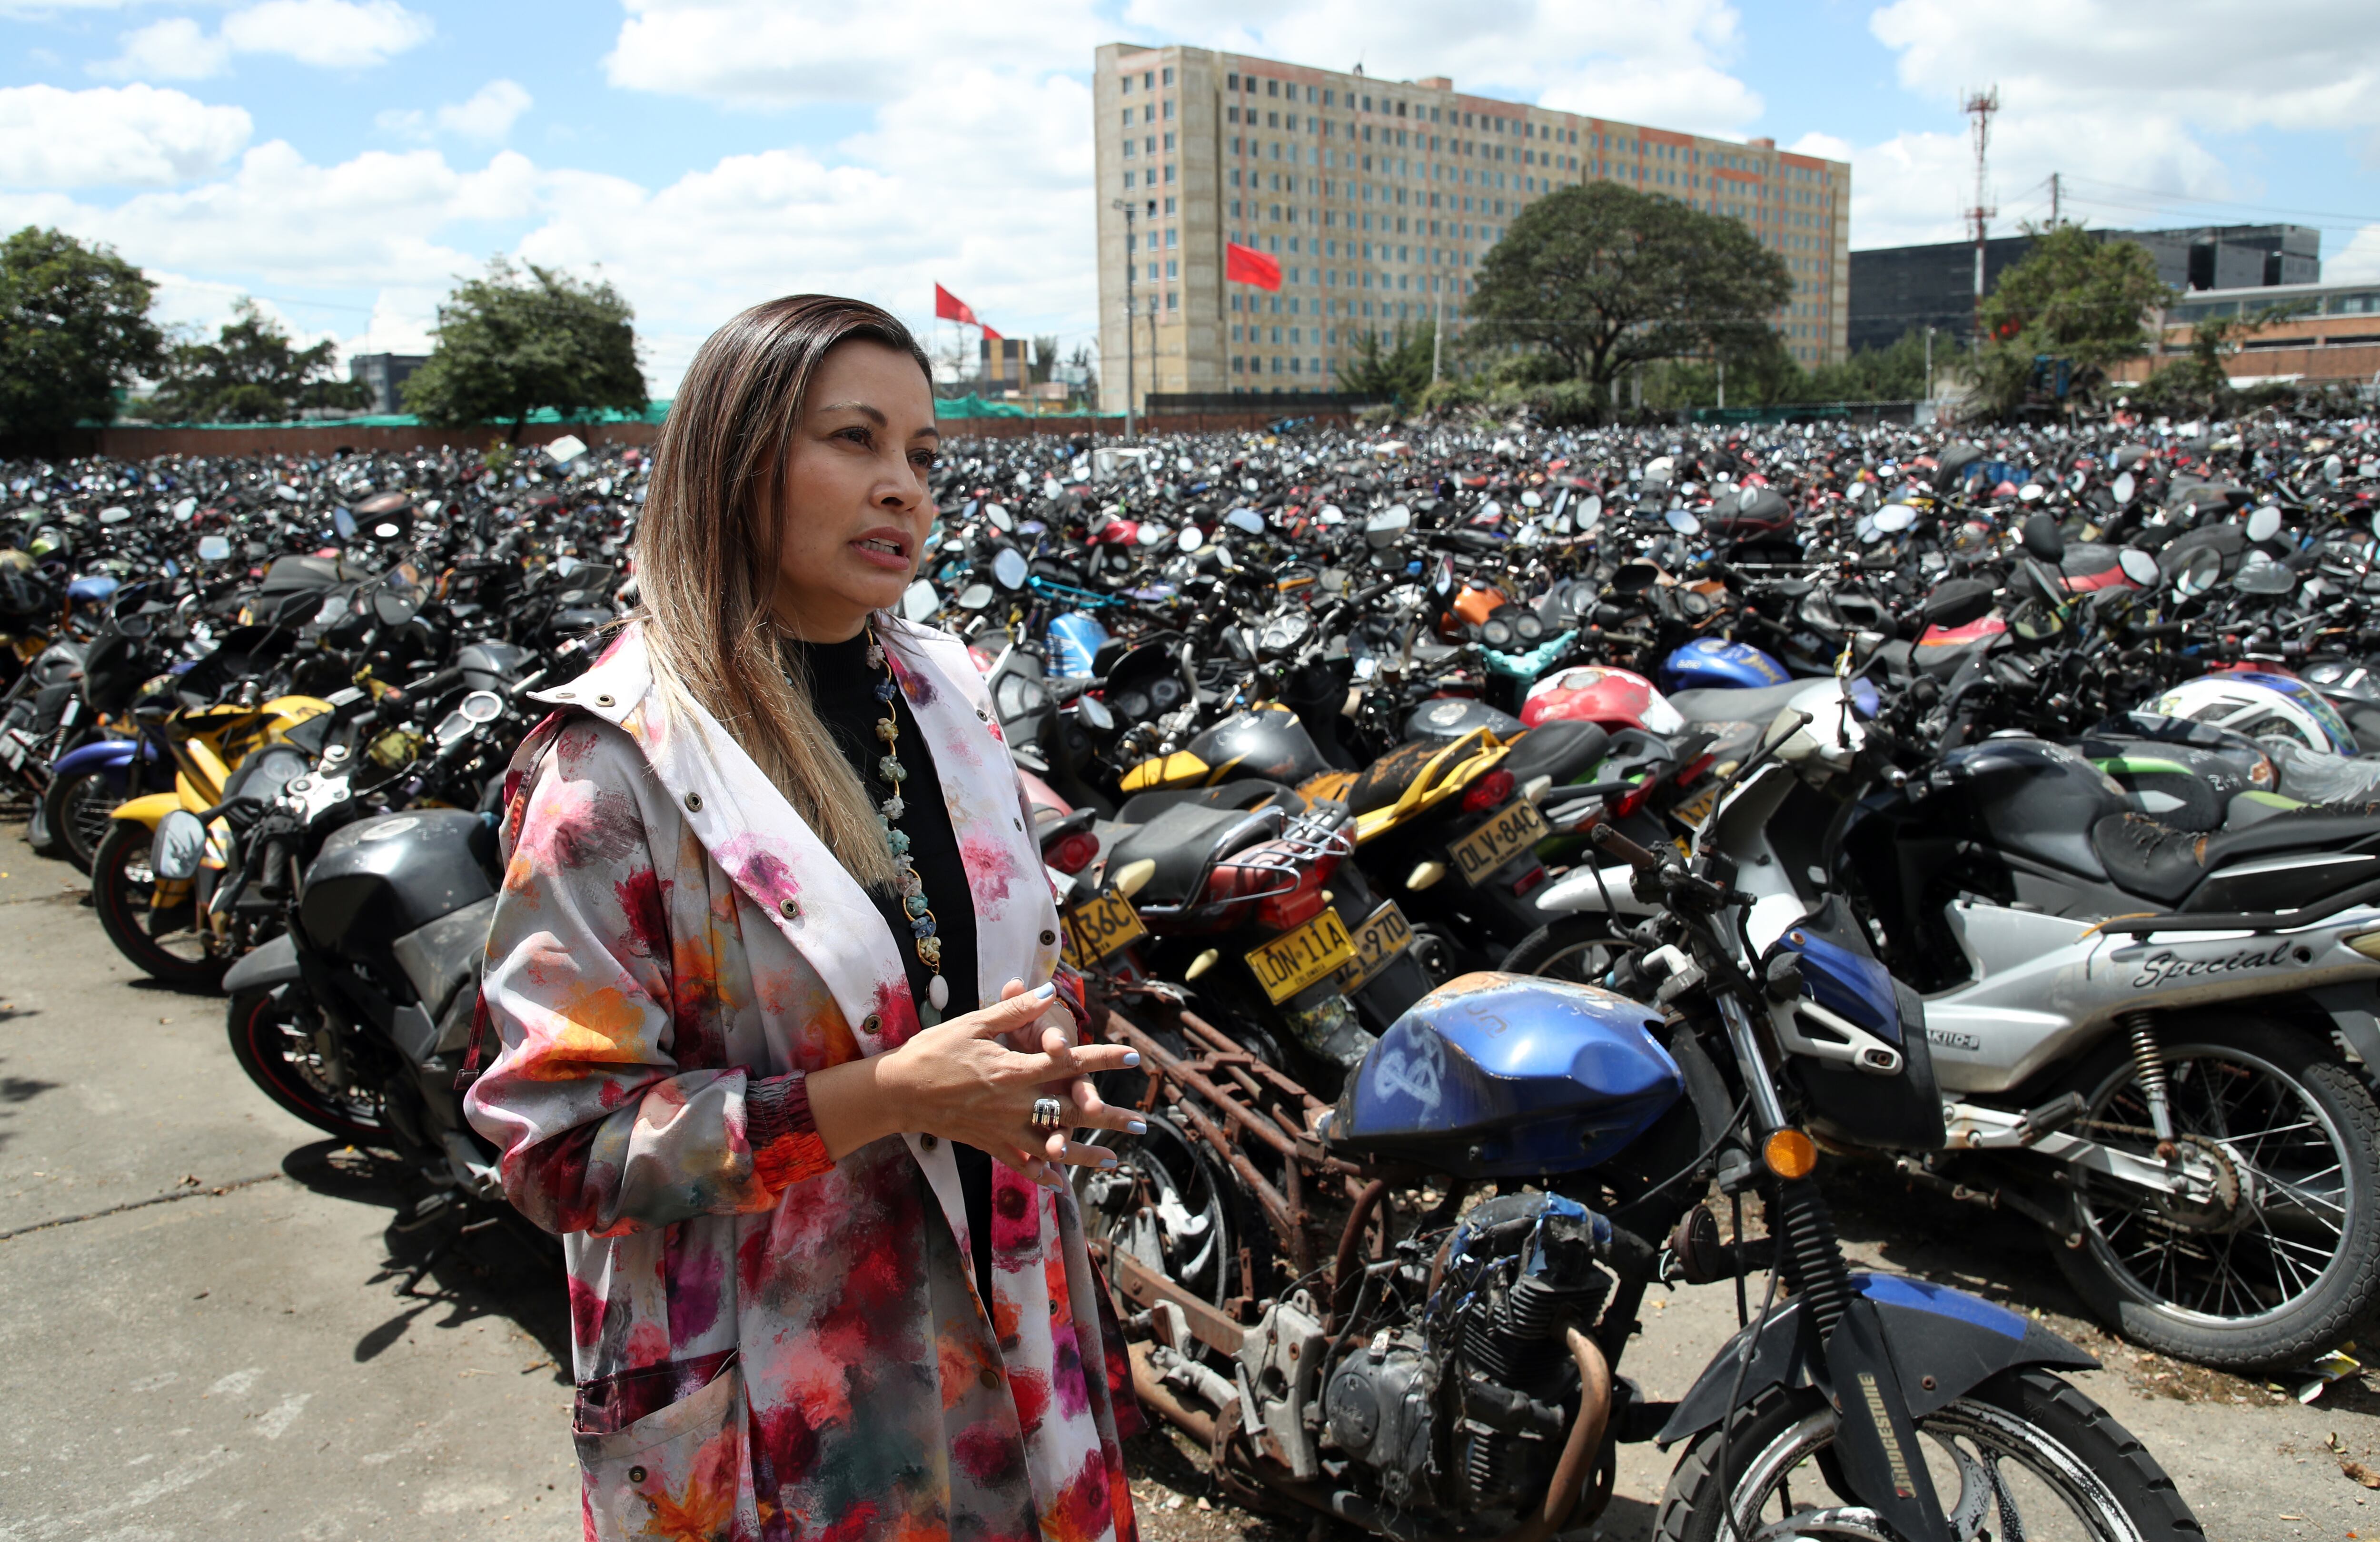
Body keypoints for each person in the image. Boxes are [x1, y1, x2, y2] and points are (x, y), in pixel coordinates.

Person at [465, 295, 1145, 1542]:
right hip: (794, 1412)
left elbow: (1009, 949)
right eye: (854, 440)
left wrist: (1053, 1061)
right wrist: (889, 1095)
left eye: (924, 456)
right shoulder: (610, 768)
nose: (903, 488)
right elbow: (557, 1149)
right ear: (737, 460)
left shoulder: (945, 688)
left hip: (1010, 1337)